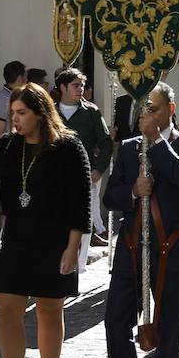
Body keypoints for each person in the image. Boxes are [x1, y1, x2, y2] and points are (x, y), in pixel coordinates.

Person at [0, 83, 90, 358]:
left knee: (48, 310)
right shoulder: (8, 146)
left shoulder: (68, 147)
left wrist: (72, 249)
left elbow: (80, 203)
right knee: (7, 309)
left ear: (40, 113)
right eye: (13, 113)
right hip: (16, 241)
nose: (16, 119)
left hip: (54, 242)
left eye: (22, 112)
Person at [104, 82, 179, 358]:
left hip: (172, 246)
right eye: (142, 109)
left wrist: (157, 141)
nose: (146, 115)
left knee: (168, 328)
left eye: (153, 109)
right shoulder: (128, 147)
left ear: (171, 109)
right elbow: (110, 198)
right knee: (115, 321)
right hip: (131, 246)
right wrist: (133, 191)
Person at [55, 69, 113, 254]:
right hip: (56, 175)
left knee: (83, 217)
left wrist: (99, 168)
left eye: (81, 85)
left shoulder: (91, 112)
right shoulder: (51, 112)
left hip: (85, 174)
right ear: (62, 88)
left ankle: (79, 264)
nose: (81, 89)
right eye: (76, 85)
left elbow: (105, 142)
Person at [0, 61, 26, 148]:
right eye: (25, 77)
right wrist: (10, 151)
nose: (27, 80)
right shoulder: (1, 100)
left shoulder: (17, 97)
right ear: (20, 78)